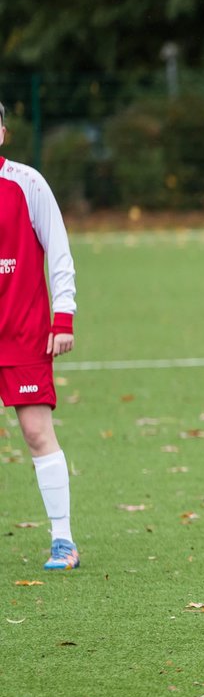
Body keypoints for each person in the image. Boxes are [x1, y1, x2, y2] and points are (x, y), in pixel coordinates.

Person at [0, 100, 80, 570]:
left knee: (34, 431)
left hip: (25, 333)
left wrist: (63, 316)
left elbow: (59, 249)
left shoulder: (27, 183)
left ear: (3, 134)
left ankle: (63, 541)